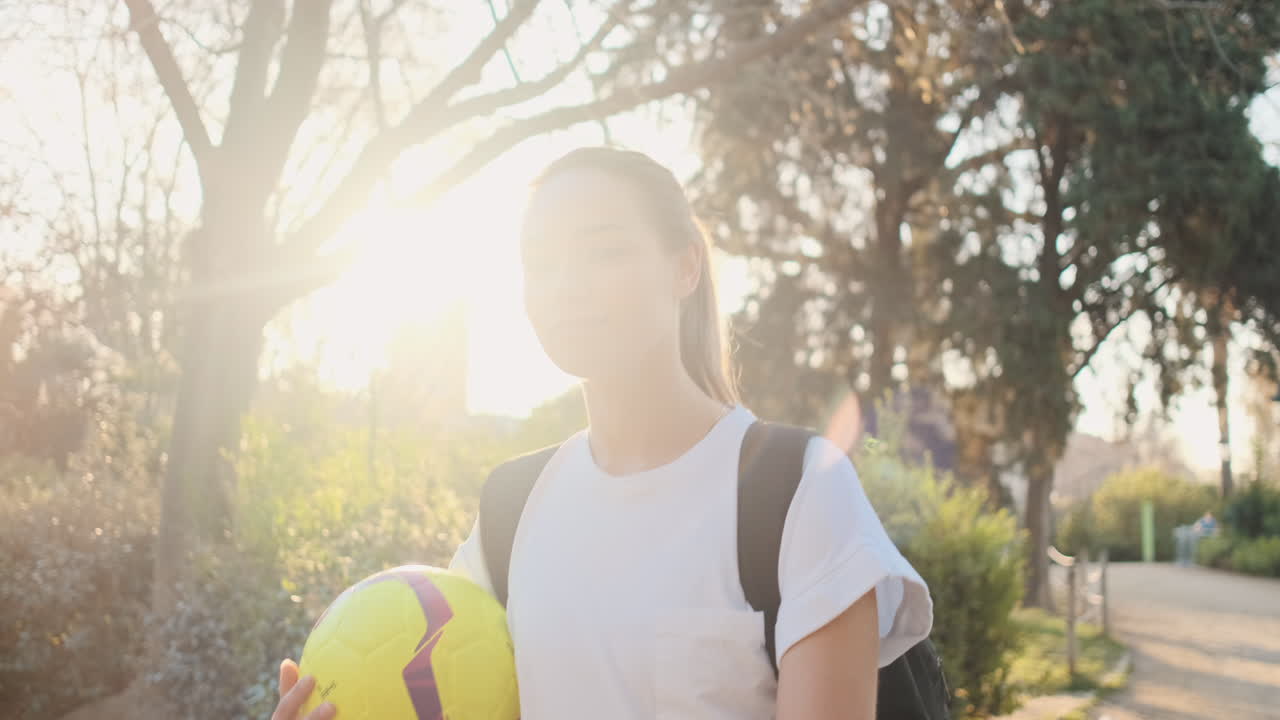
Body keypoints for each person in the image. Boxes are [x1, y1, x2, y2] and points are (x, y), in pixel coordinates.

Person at [271, 146, 933, 720]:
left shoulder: (797, 489)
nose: (567, 286)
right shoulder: (511, 508)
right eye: (540, 261)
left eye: (604, 252)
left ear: (685, 267)